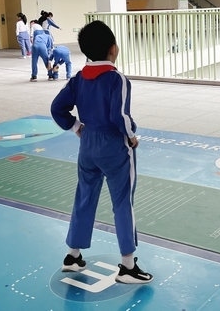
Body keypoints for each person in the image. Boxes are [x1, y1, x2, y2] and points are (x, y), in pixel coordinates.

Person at [50, 20, 153, 284]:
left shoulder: (78, 79)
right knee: (122, 202)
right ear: (113, 49)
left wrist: (76, 127)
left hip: (87, 145)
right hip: (114, 146)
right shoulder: (117, 79)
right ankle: (128, 266)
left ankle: (73, 256)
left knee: (84, 197)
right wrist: (131, 136)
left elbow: (57, 108)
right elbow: (120, 116)